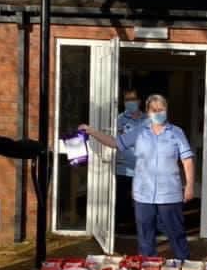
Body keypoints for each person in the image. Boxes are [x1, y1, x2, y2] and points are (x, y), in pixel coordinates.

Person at [80, 94, 195, 260]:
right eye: (154, 109)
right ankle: (149, 268)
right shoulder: (140, 132)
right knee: (145, 237)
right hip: (143, 194)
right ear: (148, 112)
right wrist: (91, 131)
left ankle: (184, 266)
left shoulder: (176, 133)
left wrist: (190, 185)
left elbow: (187, 160)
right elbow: (115, 143)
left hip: (169, 194)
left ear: (167, 110)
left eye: (161, 109)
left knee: (176, 233)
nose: (158, 112)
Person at [115, 89, 147, 233]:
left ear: (139, 101)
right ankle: (119, 229)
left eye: (133, 99)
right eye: (127, 99)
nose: (130, 102)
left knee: (140, 200)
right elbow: (113, 140)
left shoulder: (147, 119)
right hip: (123, 167)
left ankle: (140, 227)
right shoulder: (119, 119)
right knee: (122, 199)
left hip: (142, 168)